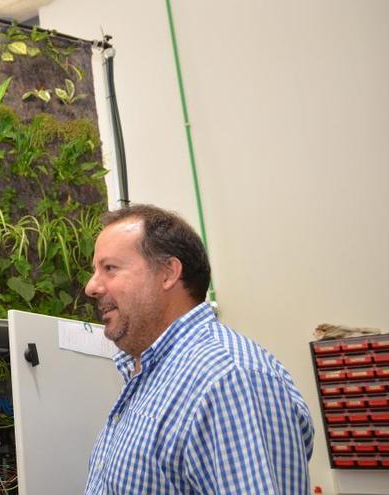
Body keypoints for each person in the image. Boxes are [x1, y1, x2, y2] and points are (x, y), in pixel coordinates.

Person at [83, 204, 313, 494]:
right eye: (96, 271)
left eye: (110, 269)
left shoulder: (229, 379)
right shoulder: (149, 376)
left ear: (168, 273)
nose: (91, 286)